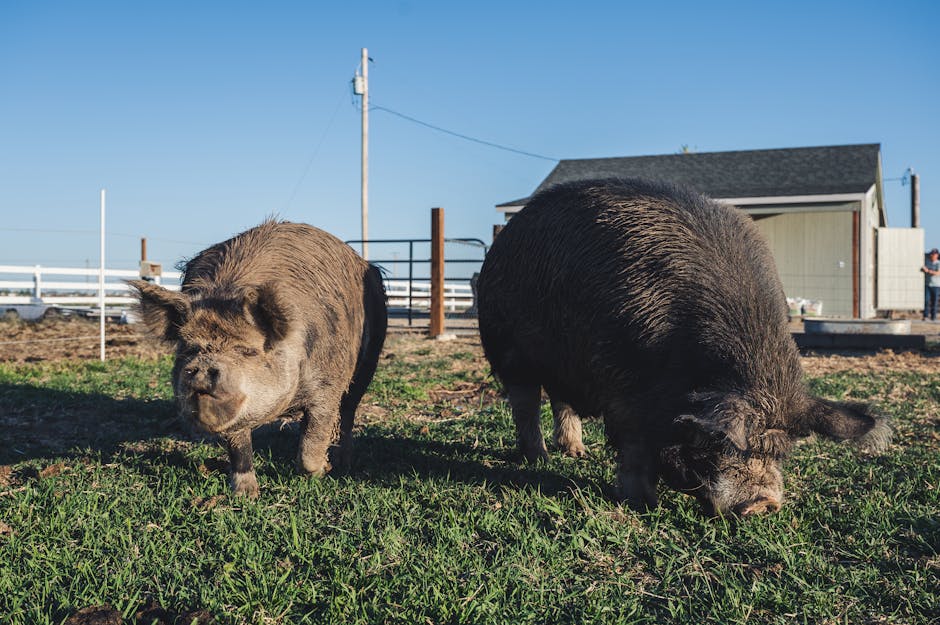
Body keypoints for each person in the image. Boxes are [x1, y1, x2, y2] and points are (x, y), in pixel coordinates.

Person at [922, 248, 940, 321]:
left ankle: (933, 316)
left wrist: (928, 271)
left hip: (936, 285)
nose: (932, 255)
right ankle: (925, 316)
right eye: (931, 254)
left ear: (937, 255)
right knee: (926, 300)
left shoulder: (938, 263)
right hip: (927, 285)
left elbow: (938, 273)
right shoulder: (927, 262)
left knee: (934, 301)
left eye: (934, 254)